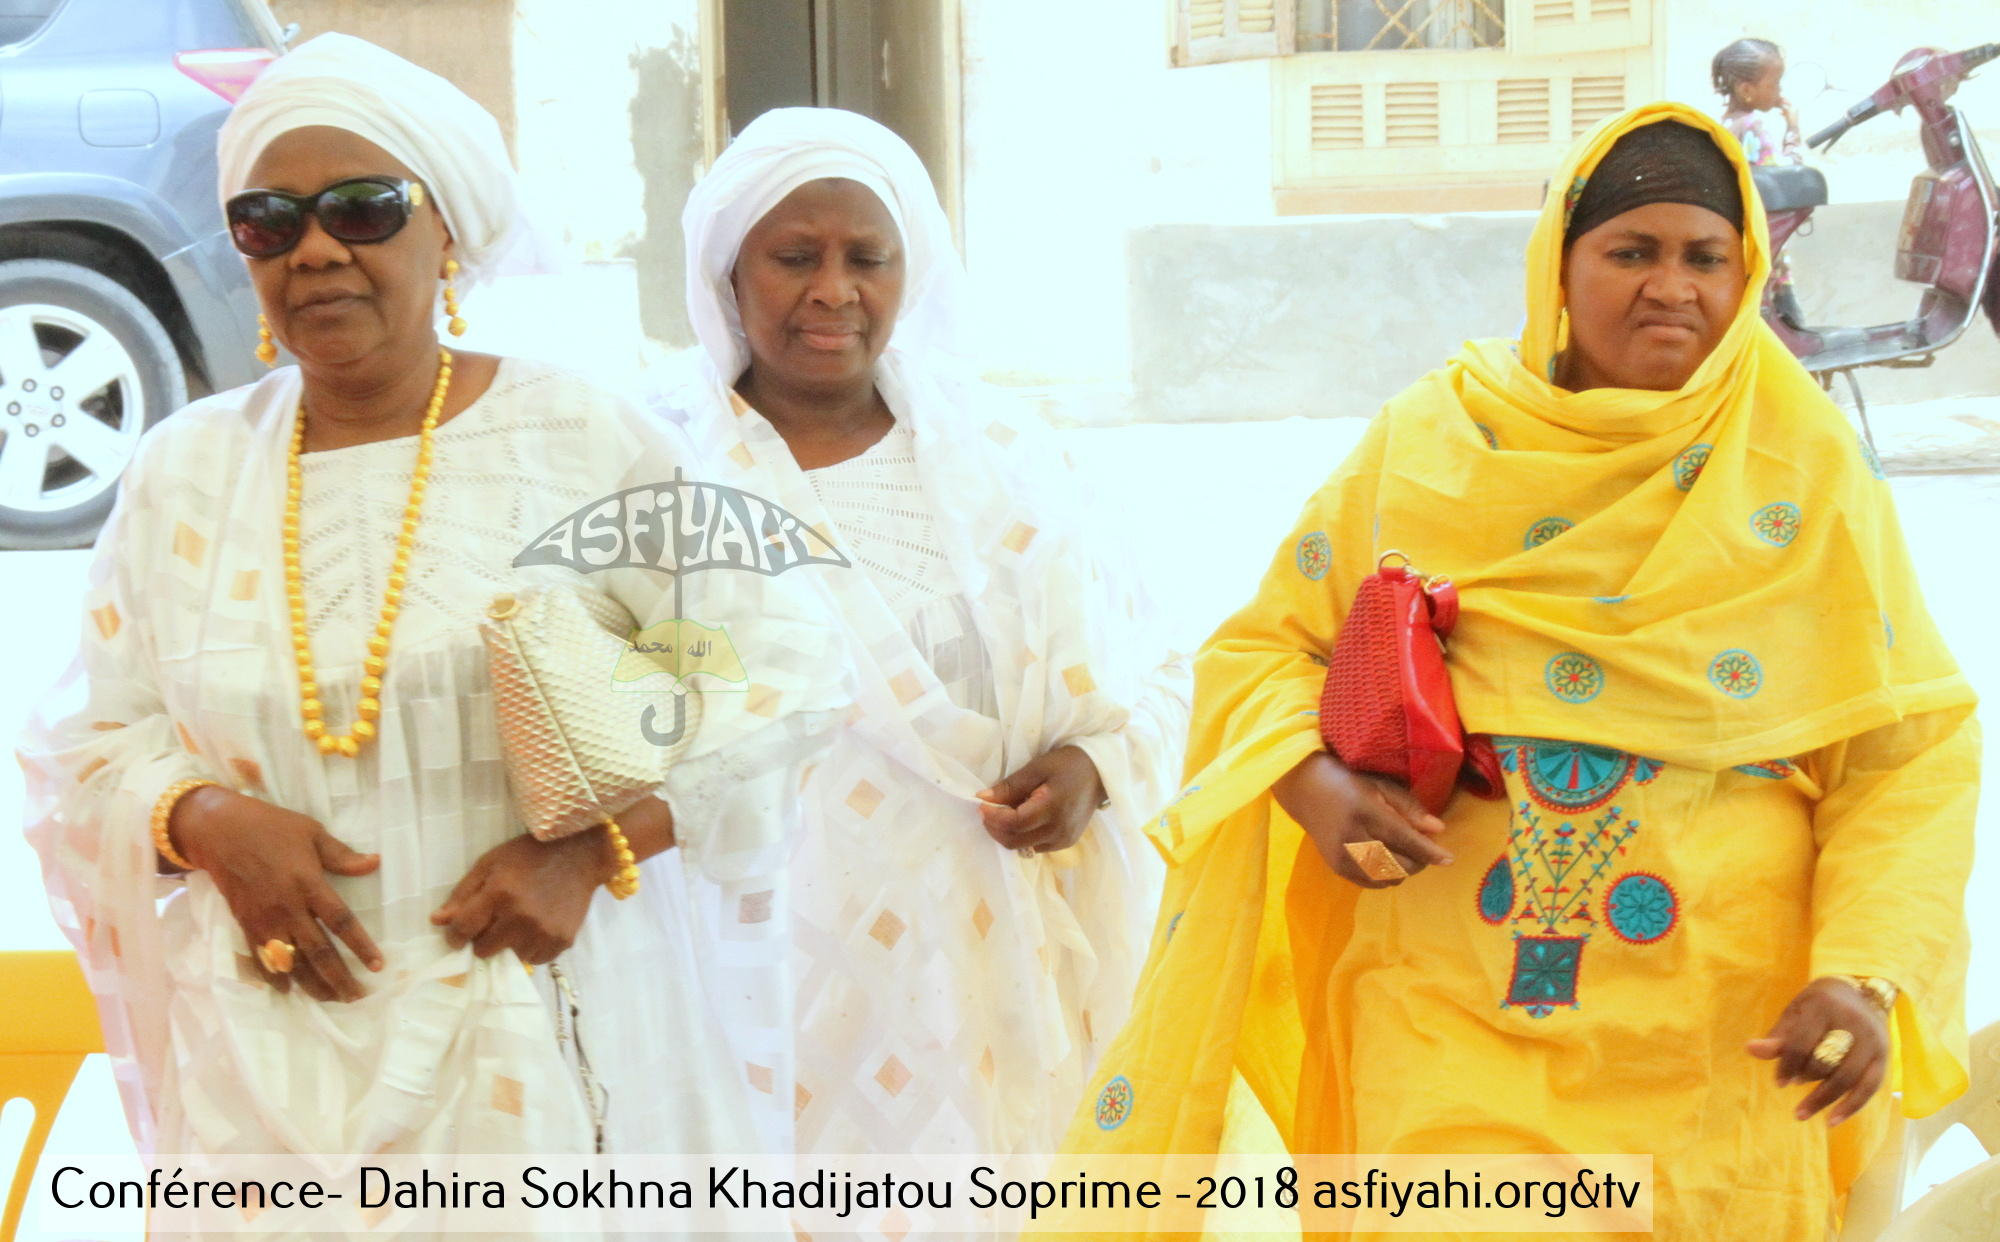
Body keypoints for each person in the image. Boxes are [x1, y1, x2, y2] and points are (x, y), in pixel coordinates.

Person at [1062, 103, 1978, 1240]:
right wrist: (1310, 781)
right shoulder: (1433, 441)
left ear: (1746, 272)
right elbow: (1261, 648)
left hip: (1717, 1026)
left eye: (1704, 256)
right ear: (1557, 261)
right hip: (1448, 992)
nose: (1668, 287)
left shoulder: (1803, 464)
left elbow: (1903, 751)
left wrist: (1864, 971)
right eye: (1628, 251)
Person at [20, 34, 843, 1180]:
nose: (313, 252)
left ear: (445, 227)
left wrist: (594, 851)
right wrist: (200, 823)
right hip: (260, 1075)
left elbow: (788, 674)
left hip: (532, 1044)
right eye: (271, 220)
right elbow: (90, 743)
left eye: (361, 210)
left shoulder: (582, 440)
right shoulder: (183, 471)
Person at [644, 106, 1190, 1155]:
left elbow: (1164, 662)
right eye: (793, 257)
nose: (833, 291)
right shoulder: (656, 464)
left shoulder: (1008, 456)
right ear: (727, 274)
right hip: (763, 966)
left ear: (913, 269)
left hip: (999, 956)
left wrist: (1095, 764)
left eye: (868, 257)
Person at [1714, 36, 1809, 328]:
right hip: (1770, 264)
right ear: (1747, 90)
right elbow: (1789, 178)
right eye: (1775, 83)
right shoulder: (1753, 126)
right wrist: (1793, 128)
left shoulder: (1725, 125)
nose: (1780, 91)